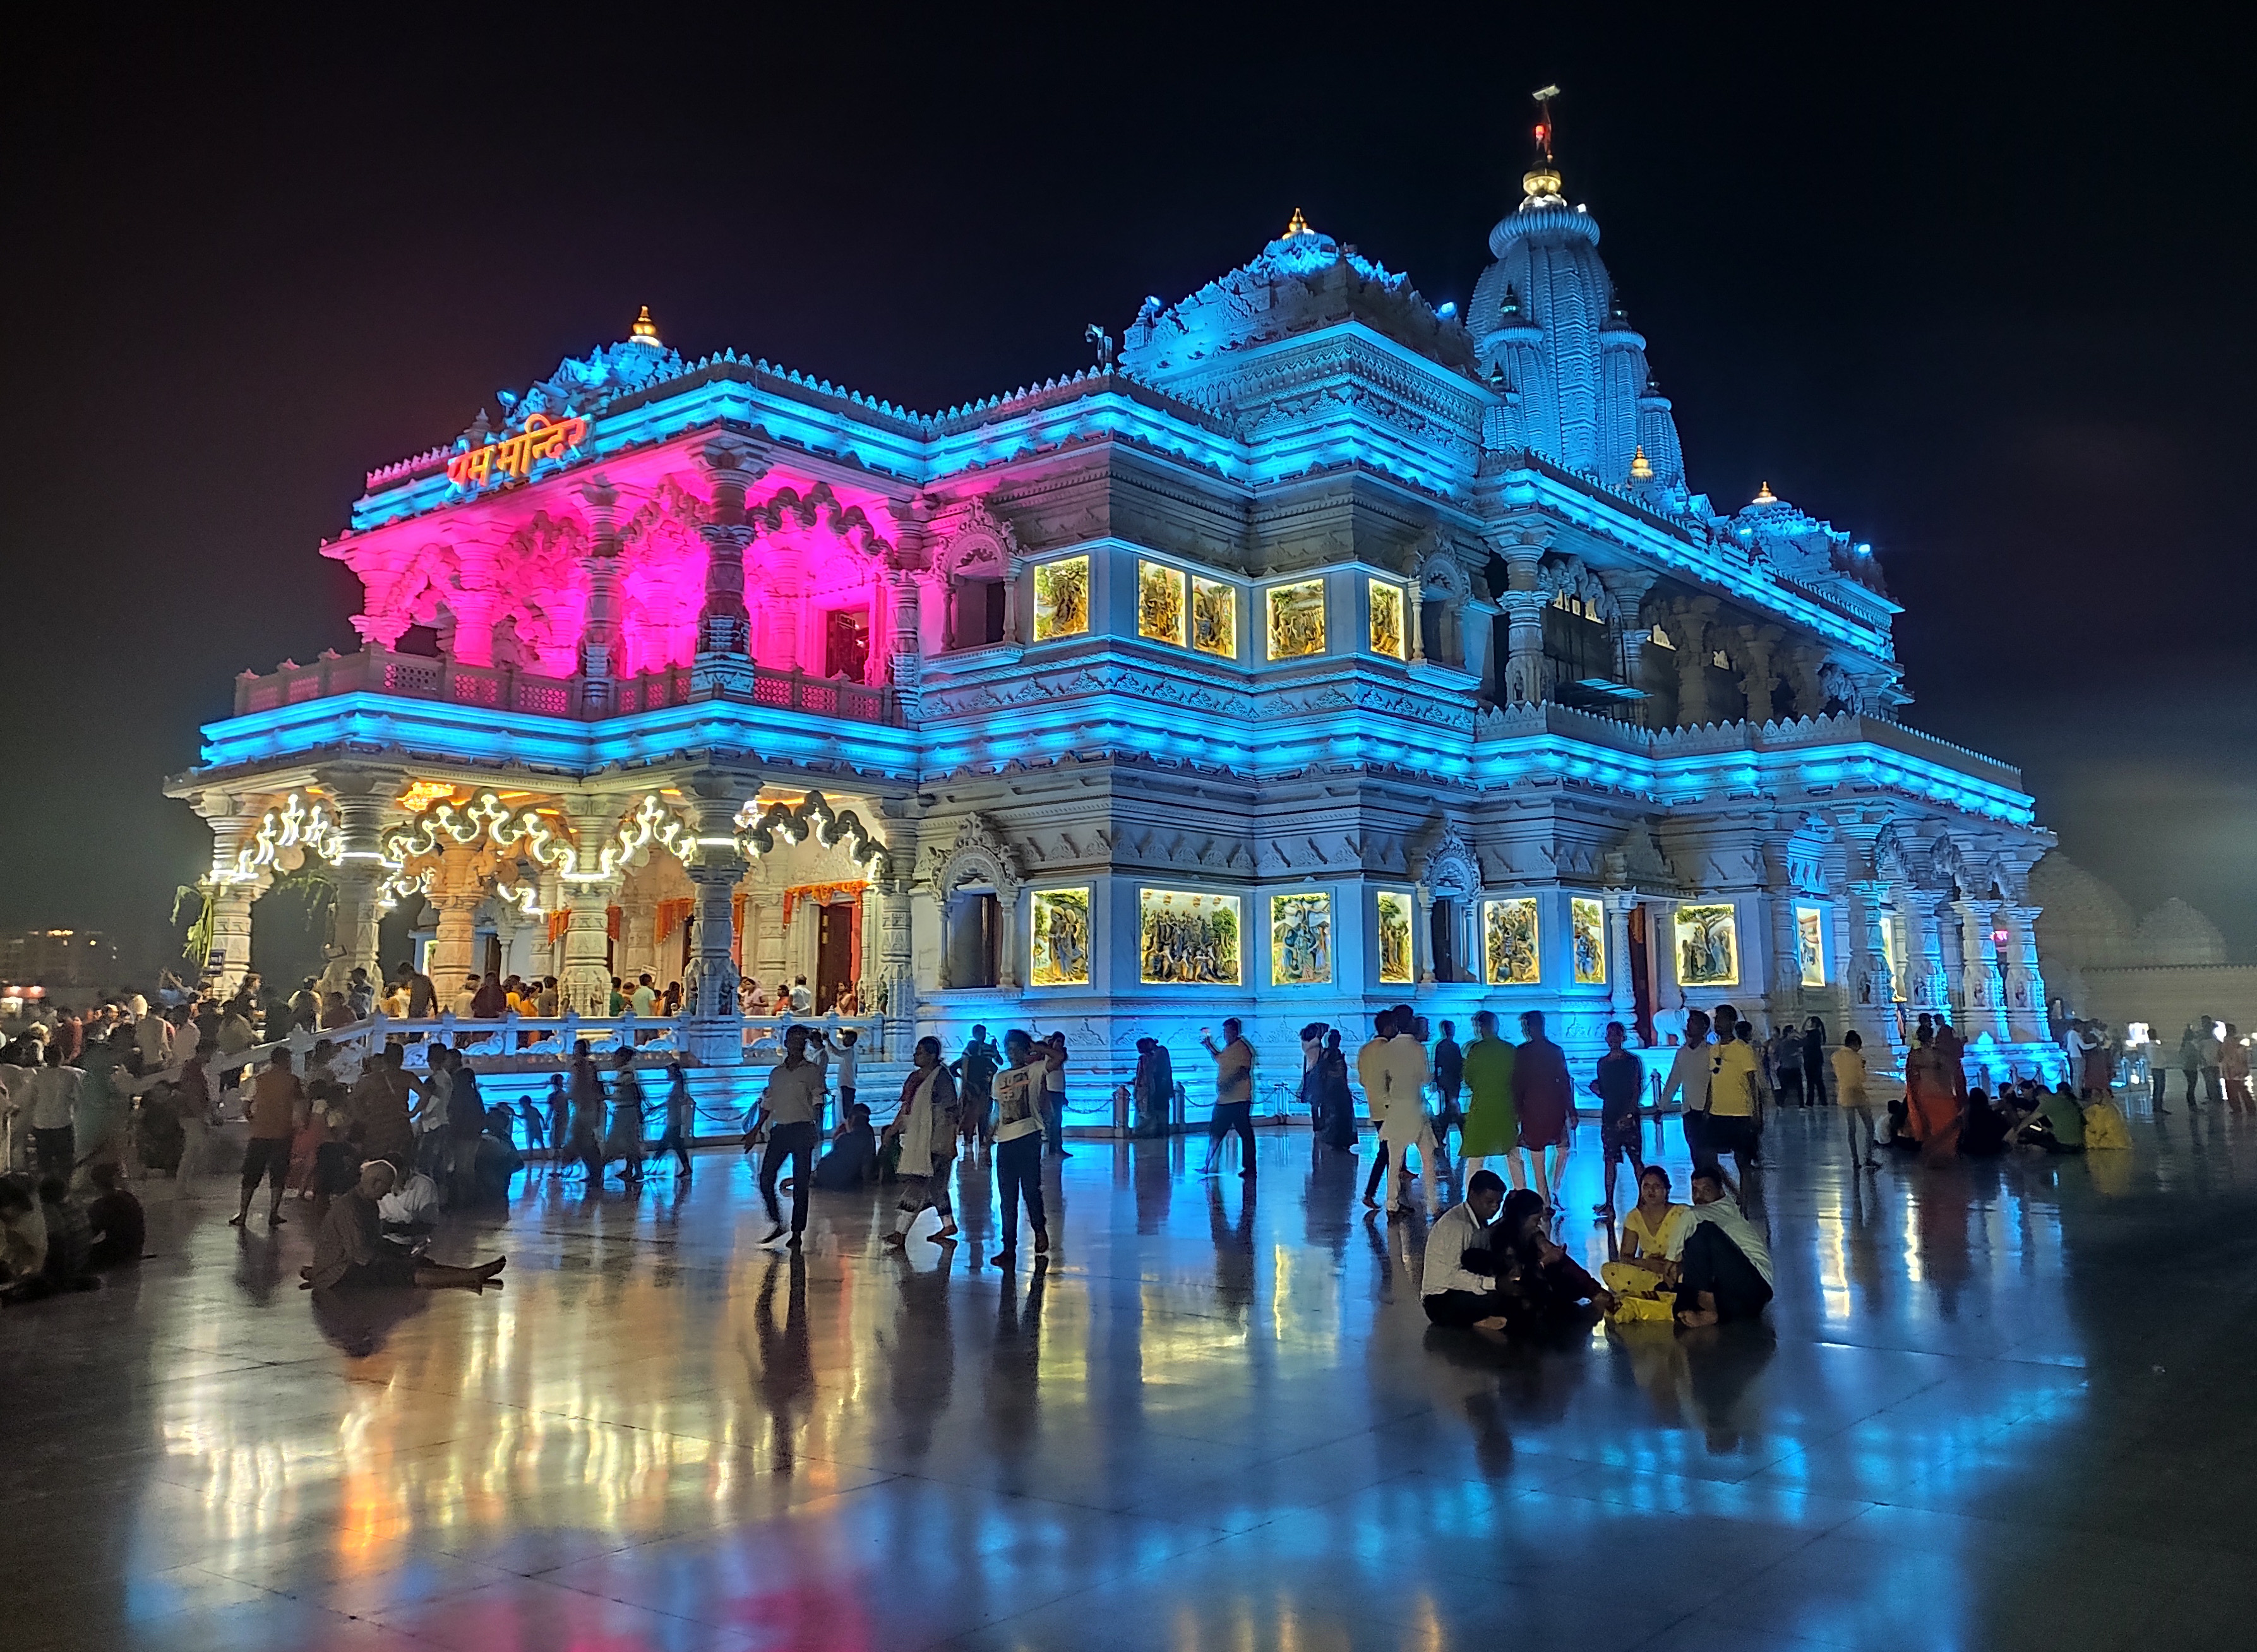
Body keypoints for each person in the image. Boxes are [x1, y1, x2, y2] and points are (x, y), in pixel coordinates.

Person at [301, 1159, 507, 1291]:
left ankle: (467, 1274)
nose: (388, 1193)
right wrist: (396, 1259)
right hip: (340, 1274)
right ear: (374, 1183)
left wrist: (401, 1252)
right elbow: (362, 1254)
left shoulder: (367, 1205)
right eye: (386, 1187)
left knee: (416, 1261)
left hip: (350, 1263)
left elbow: (373, 1242)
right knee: (401, 1272)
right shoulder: (349, 1208)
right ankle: (469, 1276)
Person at [1491, 1187, 1615, 1329]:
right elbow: (1515, 1278)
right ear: (1523, 1217)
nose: (1539, 1223)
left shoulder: (1528, 1232)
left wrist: (1549, 1249)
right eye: (1536, 1219)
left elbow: (1547, 1247)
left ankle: (1594, 1291)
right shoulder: (1503, 1238)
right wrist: (1544, 1262)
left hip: (1531, 1281)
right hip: (1514, 1292)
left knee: (1563, 1266)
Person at [883, 1036, 961, 1247]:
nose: (915, 1055)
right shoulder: (914, 1078)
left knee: (918, 1184)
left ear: (932, 1055)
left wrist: (950, 1141)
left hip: (936, 1140)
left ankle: (900, 1232)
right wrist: (893, 1129)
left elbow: (951, 1111)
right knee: (936, 1187)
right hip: (918, 1137)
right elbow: (907, 1106)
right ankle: (948, 1224)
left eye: (920, 1052)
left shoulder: (942, 1079)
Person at [1673, 1166, 1774, 1326]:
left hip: (1756, 1288)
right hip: (1735, 1301)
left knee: (1704, 1232)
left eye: (1706, 1190)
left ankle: (1708, 1310)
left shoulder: (1707, 1212)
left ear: (1721, 1192)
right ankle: (1710, 1309)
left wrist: (1668, 1261)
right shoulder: (1709, 1211)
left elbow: (1686, 1219)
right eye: (1695, 1191)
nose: (1699, 1197)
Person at [751, 1026, 823, 1246]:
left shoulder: (813, 1072)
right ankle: (777, 1220)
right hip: (780, 1130)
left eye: (801, 1040)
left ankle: (797, 1232)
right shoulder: (777, 1074)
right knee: (765, 1178)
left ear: (805, 1044)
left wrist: (816, 1130)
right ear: (786, 1042)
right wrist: (755, 1130)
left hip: (802, 1129)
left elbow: (819, 1101)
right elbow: (769, 1103)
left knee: (801, 1183)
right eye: (793, 1039)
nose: (796, 1044)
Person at [1420, 1169, 1511, 1329]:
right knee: (1502, 1300)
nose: (1495, 1207)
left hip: (1460, 1290)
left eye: (1498, 1203)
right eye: (1489, 1202)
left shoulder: (1480, 1222)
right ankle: (1478, 1318)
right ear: (1472, 1196)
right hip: (1440, 1299)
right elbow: (1452, 1276)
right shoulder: (1458, 1226)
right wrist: (1494, 1284)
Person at [990, 1028, 1051, 1264]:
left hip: (1028, 1137)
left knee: (1030, 1190)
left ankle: (1039, 1229)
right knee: (1007, 1197)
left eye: (1016, 1048)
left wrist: (1035, 1048)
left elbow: (1057, 1059)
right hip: (1005, 1141)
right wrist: (987, 1143)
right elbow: (997, 1112)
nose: (1011, 1053)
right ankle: (1009, 1248)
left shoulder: (1035, 1070)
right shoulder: (1000, 1077)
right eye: (1009, 1048)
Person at [1600, 1164, 1691, 1310]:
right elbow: (1626, 1257)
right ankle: (1659, 1291)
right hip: (1648, 1272)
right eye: (1646, 1186)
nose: (1651, 1191)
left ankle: (1650, 1294)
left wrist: (1670, 1266)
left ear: (1667, 1190)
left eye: (1656, 1186)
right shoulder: (1635, 1217)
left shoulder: (1682, 1213)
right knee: (1609, 1270)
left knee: (1686, 1277)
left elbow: (1693, 1254)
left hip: (1676, 1272)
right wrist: (1648, 1265)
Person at [232, 1048, 304, 1230]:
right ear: (286, 1060)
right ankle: (273, 1212)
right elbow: (300, 1105)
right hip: (283, 1132)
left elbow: (246, 1104)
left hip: (260, 1133)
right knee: (278, 1174)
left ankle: (243, 1213)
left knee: (251, 1175)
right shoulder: (293, 1081)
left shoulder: (259, 1079)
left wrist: (253, 1121)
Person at [1511, 1010, 1573, 1209]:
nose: (1527, 1030)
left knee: (1538, 1157)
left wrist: (1518, 1109)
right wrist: (1570, 1110)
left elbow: (1518, 1084)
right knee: (1561, 1150)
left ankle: (1546, 1199)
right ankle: (1552, 1192)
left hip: (1533, 1109)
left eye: (1527, 1027)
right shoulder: (1555, 1051)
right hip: (1553, 1107)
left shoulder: (1522, 1052)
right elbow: (1564, 1082)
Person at [1457, 1010, 1520, 1187]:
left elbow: (1468, 1077)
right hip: (1506, 1108)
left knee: (1476, 1158)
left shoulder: (1476, 1050)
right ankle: (1521, 1191)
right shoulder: (1509, 1049)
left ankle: (1471, 1197)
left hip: (1482, 1107)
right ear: (1497, 1026)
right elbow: (1518, 1079)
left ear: (1481, 1028)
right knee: (1513, 1154)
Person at [1591, 1021, 1645, 1214]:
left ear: (1623, 1037)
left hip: (1629, 1117)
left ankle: (1644, 1200)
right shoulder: (1602, 1064)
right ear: (1606, 1038)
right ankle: (1609, 1203)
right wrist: (1596, 1088)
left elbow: (1636, 1088)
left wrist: (1630, 1114)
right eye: (1610, 1034)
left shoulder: (1632, 1061)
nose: (1613, 1038)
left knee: (1636, 1160)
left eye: (1617, 1034)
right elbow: (1605, 1091)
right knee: (1609, 1160)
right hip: (1610, 1116)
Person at [1704, 1015, 1763, 1191]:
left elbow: (1752, 1081)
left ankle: (1744, 1203)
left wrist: (1756, 1112)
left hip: (1741, 1112)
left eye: (1722, 1020)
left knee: (1743, 1161)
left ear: (1732, 1023)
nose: (1718, 1024)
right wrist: (1708, 1107)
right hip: (1718, 1111)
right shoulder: (1713, 1049)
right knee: (1710, 1159)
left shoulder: (1743, 1049)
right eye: (1717, 1021)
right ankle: (1733, 1193)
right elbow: (1712, 1079)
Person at [1658, 1009, 1716, 1177]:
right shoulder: (1682, 1053)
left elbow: (1715, 1081)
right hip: (1689, 1110)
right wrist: (1662, 1106)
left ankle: (1715, 1189)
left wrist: (1711, 1106)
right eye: (1689, 1021)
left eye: (1694, 1022)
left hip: (1708, 1110)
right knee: (1694, 1151)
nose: (1689, 1025)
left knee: (1709, 1153)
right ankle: (1700, 1185)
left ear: (1704, 1027)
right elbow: (1673, 1080)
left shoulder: (1710, 1052)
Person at [1200, 1018, 1256, 1178]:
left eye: (1228, 1031)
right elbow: (1220, 1059)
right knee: (1216, 1130)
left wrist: (1229, 1084)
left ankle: (1250, 1167)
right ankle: (1208, 1164)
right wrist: (1209, 1046)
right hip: (1224, 1100)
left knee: (1245, 1133)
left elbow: (1243, 1071)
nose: (1226, 1035)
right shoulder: (1229, 1049)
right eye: (1224, 1032)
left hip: (1239, 1100)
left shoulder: (1243, 1049)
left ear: (1235, 1032)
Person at [1903, 1022, 1961, 1163]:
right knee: (1948, 1125)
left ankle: (1932, 1154)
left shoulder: (1915, 1056)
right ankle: (1944, 1154)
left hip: (1924, 1093)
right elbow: (1953, 1068)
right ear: (1932, 1039)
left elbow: (1911, 1076)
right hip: (1941, 1093)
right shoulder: (1937, 1055)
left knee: (1932, 1127)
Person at [27, 1044, 83, 1180]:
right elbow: (79, 1099)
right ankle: (64, 1188)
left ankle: (48, 1187)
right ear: (61, 1057)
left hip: (41, 1123)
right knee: (65, 1160)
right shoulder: (70, 1076)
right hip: (62, 1121)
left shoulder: (38, 1077)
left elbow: (31, 1100)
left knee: (44, 1160)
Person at [1832, 1029, 1879, 1168]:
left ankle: (1855, 1160)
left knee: (1851, 1129)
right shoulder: (1858, 1058)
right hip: (1858, 1094)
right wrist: (1862, 1067)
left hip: (1844, 1095)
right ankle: (1868, 1157)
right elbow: (1862, 1078)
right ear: (1855, 1044)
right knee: (1869, 1126)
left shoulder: (1835, 1056)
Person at [86, 1161, 147, 1267]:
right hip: (135, 1250)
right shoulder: (128, 1197)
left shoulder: (103, 1205)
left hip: (117, 1254)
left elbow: (89, 1233)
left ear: (94, 1184)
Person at [445, 1056, 487, 1203]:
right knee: (468, 1167)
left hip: (461, 1134)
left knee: (461, 1168)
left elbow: (454, 1113)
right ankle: (470, 1198)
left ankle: (463, 1199)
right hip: (473, 1134)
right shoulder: (474, 1093)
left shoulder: (457, 1092)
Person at [952, 1025, 998, 1150]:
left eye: (983, 1033)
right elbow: (955, 1067)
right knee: (971, 1114)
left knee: (983, 1114)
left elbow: (997, 1064)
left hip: (983, 1088)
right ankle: (970, 1140)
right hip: (972, 1088)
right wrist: (964, 1080)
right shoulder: (971, 1052)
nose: (981, 1036)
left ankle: (980, 1140)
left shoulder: (986, 1051)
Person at [812, 1103, 880, 1188]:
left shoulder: (843, 1135)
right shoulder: (867, 1135)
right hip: (845, 1180)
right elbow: (867, 1163)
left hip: (828, 1174)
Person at [604, 1051, 647, 1183]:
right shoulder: (626, 1074)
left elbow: (630, 1092)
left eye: (617, 1057)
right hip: (624, 1111)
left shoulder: (628, 1075)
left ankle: (638, 1172)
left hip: (626, 1113)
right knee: (630, 1143)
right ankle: (630, 1170)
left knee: (628, 1143)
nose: (614, 1060)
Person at [568, 1041, 607, 1180]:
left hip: (586, 1107)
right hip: (585, 1106)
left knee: (584, 1140)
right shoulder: (588, 1066)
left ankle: (596, 1170)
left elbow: (585, 1086)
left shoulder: (583, 1067)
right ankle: (595, 1171)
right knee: (584, 1140)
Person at [2015, 1082, 2087, 1153]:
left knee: (2031, 1141)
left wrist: (2016, 1134)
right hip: (2079, 1145)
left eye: (2039, 1100)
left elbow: (2029, 1119)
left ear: (2042, 1095)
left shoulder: (2048, 1103)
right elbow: (2064, 1124)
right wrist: (2050, 1130)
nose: (2040, 1104)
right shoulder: (2063, 1101)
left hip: (2065, 1145)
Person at [656, 1062, 695, 1176]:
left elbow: (672, 1102)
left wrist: (656, 1108)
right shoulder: (678, 1087)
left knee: (669, 1145)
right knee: (674, 1145)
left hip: (673, 1120)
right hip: (674, 1119)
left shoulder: (677, 1088)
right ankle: (686, 1168)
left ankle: (654, 1166)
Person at [1432, 1019, 1464, 1147]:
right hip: (1452, 1082)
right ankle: (1462, 1136)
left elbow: (1437, 1065)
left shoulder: (1442, 1046)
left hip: (1449, 1081)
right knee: (1454, 1110)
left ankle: (1440, 1138)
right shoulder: (1451, 1046)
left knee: (1450, 1110)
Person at [1040, 1031, 1071, 1158]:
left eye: (1062, 1042)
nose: (1060, 1044)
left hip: (1059, 1091)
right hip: (1051, 1090)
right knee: (1055, 1120)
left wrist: (1064, 1095)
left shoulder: (1061, 1056)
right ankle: (1055, 1148)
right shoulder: (1050, 1056)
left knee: (1057, 1120)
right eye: (1058, 1041)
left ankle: (1056, 1148)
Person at [2223, 1026, 2253, 1115]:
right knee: (2242, 1090)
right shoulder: (2239, 1045)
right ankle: (2250, 1109)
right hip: (2237, 1070)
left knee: (2233, 1092)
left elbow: (2221, 1057)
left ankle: (2238, 1109)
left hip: (2231, 1071)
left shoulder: (2225, 1044)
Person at [834, 1028, 860, 1118]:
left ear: (851, 1040)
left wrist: (828, 1041)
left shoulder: (849, 1052)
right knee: (846, 1108)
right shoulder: (852, 1052)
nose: (843, 1040)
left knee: (848, 1110)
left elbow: (837, 1052)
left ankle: (849, 1126)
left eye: (846, 1038)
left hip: (847, 1083)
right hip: (848, 1083)